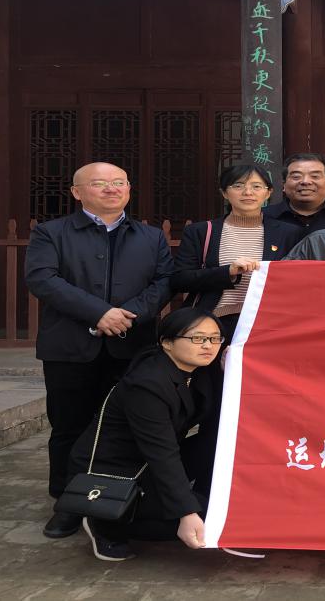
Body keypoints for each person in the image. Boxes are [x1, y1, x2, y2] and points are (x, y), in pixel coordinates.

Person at [24, 162, 172, 540]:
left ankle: (118, 499)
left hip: (131, 347)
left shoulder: (150, 236)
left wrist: (127, 316)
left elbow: (163, 283)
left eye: (119, 182)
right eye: (100, 183)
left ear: (129, 189)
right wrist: (99, 313)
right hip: (70, 349)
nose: (111, 189)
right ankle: (67, 503)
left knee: (126, 427)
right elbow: (43, 279)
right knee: (68, 427)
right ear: (77, 192)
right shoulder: (51, 233)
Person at [170, 164, 301, 495]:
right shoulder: (203, 231)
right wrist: (226, 272)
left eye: (256, 187)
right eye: (239, 186)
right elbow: (180, 278)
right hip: (213, 328)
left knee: (257, 409)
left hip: (262, 331)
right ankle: (206, 486)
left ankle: (251, 483)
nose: (248, 192)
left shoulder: (287, 233)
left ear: (269, 193)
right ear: (224, 192)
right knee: (214, 408)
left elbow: (298, 280)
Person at [66, 307, 226, 562]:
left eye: (215, 338)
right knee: (213, 518)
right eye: (197, 338)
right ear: (167, 343)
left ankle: (196, 501)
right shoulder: (147, 384)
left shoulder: (198, 369)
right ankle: (105, 522)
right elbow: (162, 454)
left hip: (148, 464)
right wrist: (187, 511)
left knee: (219, 444)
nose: (208, 345)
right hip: (116, 473)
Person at [262, 152, 325, 240]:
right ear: (284, 185)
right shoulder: (262, 217)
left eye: (315, 176)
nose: (305, 181)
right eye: (296, 176)